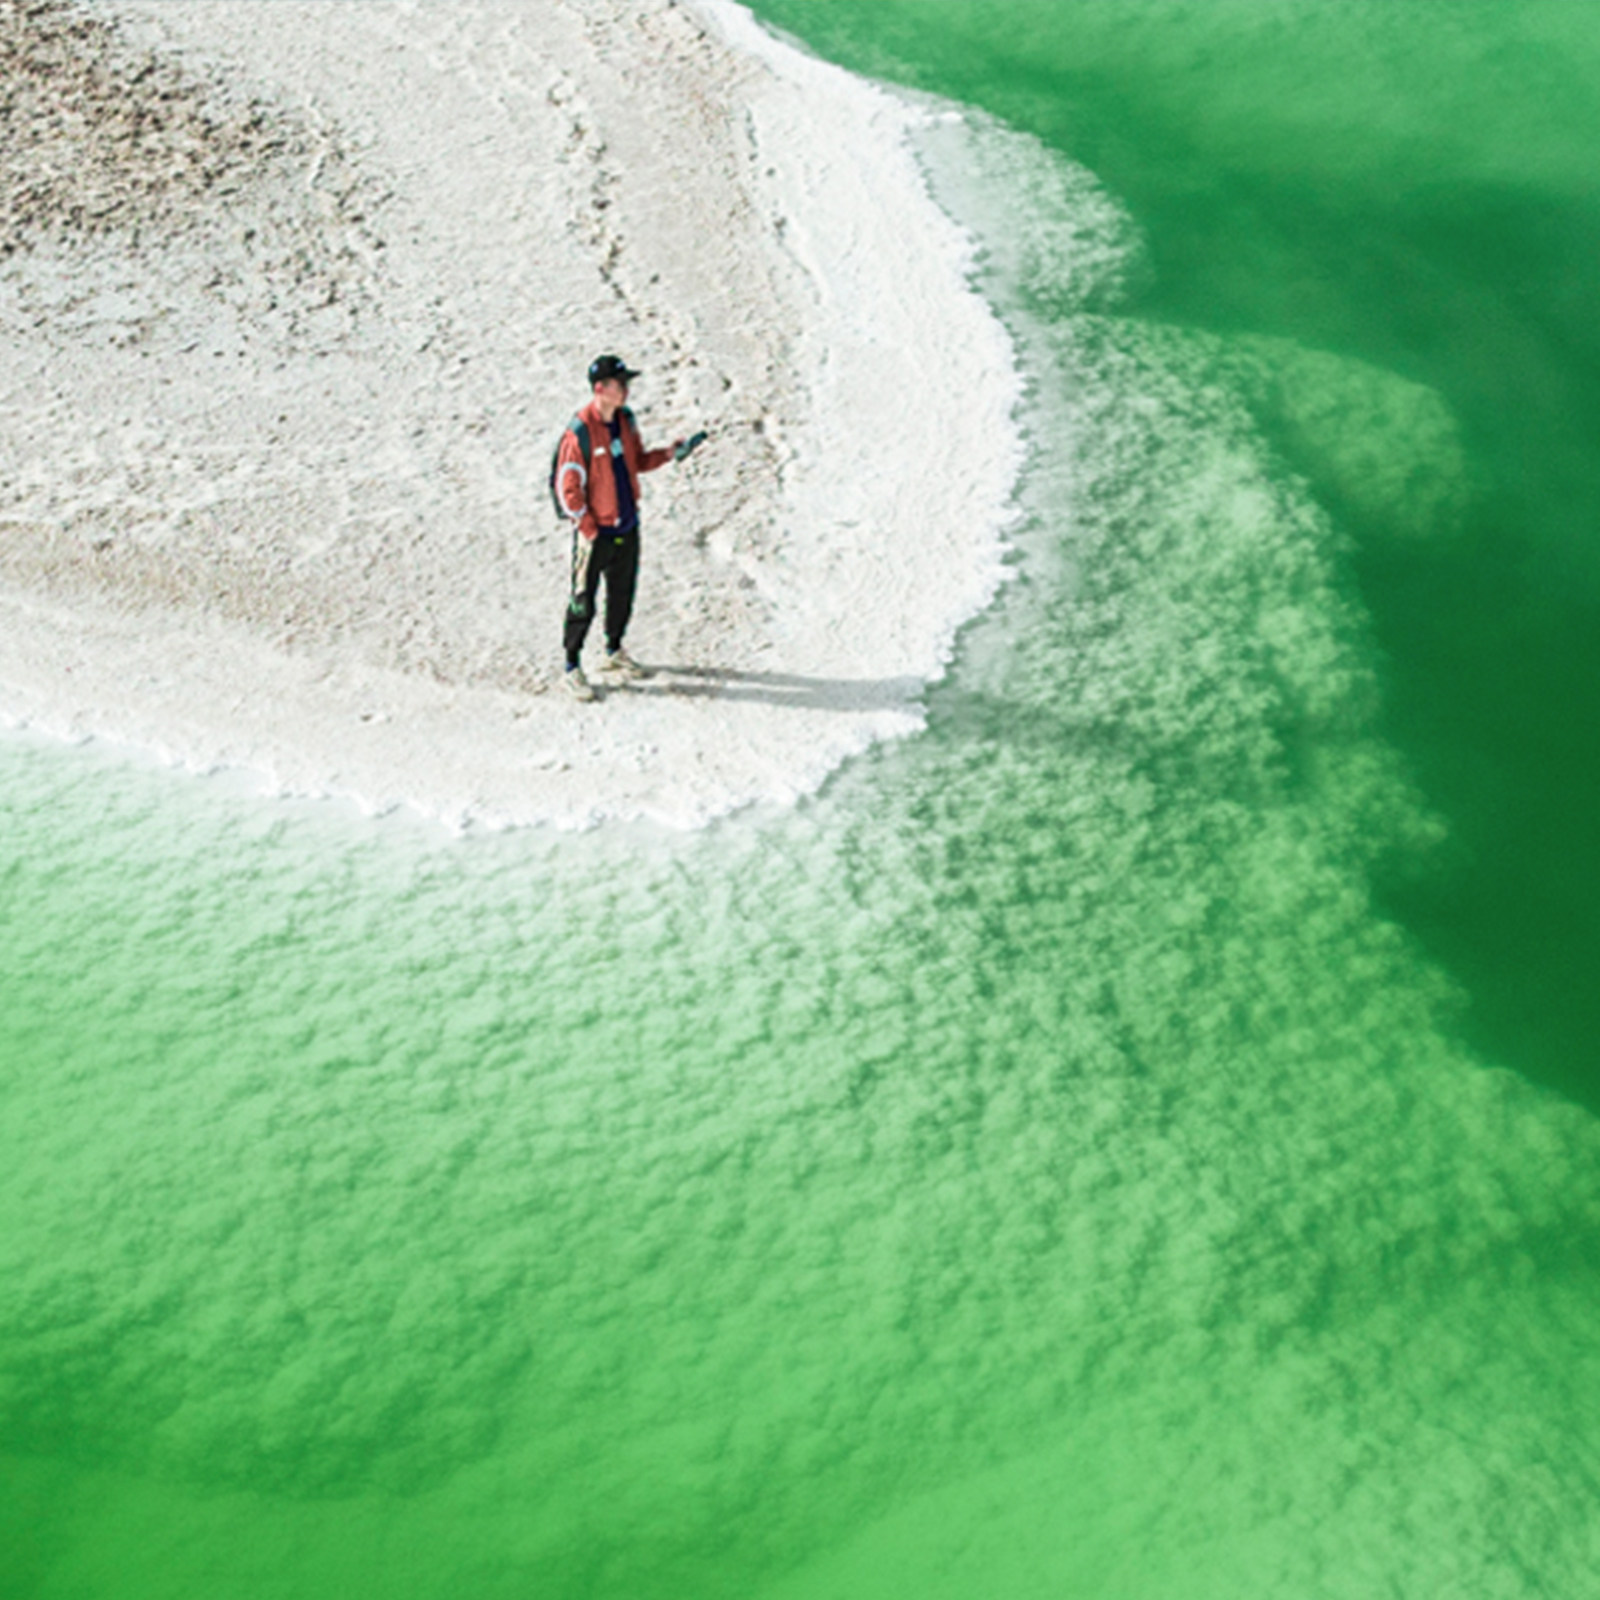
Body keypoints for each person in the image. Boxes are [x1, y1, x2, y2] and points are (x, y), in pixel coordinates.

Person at [553, 354, 687, 700]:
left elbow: (637, 461)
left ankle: (613, 651)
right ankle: (571, 666)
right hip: (596, 533)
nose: (626, 390)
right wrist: (588, 527)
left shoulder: (625, 421)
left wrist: (668, 454)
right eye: (619, 383)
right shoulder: (580, 431)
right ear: (600, 388)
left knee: (622, 594)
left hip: (627, 526)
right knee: (583, 599)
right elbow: (567, 487)